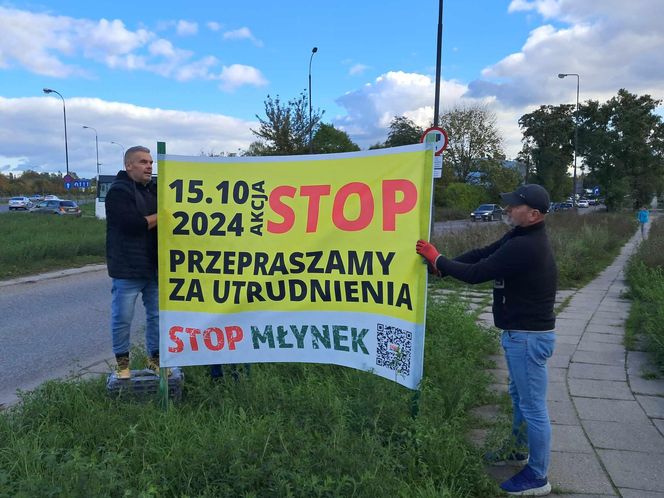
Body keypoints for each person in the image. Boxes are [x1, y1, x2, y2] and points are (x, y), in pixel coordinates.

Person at [416, 184, 557, 496]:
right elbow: (483, 255)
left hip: (528, 338)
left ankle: (538, 476)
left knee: (533, 406)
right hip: (520, 335)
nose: (507, 209)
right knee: (521, 399)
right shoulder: (520, 236)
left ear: (533, 214)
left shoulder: (527, 246)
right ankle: (519, 450)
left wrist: (439, 259)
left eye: (514, 206)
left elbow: (478, 273)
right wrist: (444, 265)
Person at [105, 146, 159, 379]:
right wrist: (165, 215)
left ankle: (154, 361)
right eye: (143, 162)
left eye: (151, 162)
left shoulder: (154, 191)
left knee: (156, 316)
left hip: (154, 267)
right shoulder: (118, 192)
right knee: (123, 317)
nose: (149, 166)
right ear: (129, 165)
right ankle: (123, 366)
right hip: (127, 269)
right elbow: (132, 225)